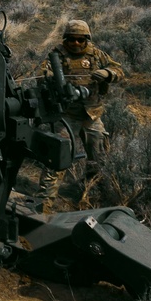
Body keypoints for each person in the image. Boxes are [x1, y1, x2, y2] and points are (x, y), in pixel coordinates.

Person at [40, 18, 125, 199]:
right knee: (57, 158)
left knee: (100, 157)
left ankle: (92, 194)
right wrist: (51, 78)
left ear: (87, 39)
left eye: (80, 39)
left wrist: (108, 73)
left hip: (91, 114)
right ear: (65, 39)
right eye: (71, 39)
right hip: (67, 115)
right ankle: (44, 202)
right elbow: (43, 74)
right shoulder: (57, 54)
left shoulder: (96, 54)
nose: (76, 43)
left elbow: (119, 71)